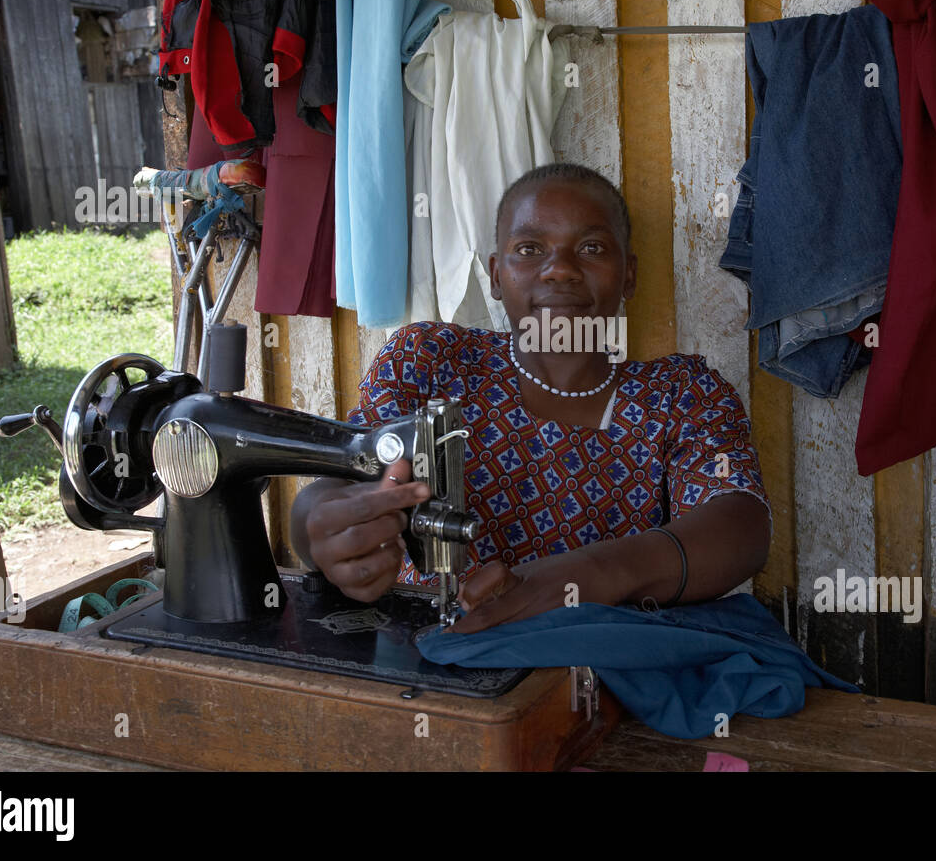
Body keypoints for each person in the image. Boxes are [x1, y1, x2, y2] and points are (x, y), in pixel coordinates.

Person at [290, 163, 771, 634]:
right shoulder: (431, 362)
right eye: (529, 248)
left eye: (592, 247)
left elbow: (741, 524)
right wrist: (318, 524)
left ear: (628, 276)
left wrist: (594, 574)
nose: (560, 269)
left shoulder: (682, 395)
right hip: (422, 663)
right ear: (497, 277)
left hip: (592, 689)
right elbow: (339, 485)